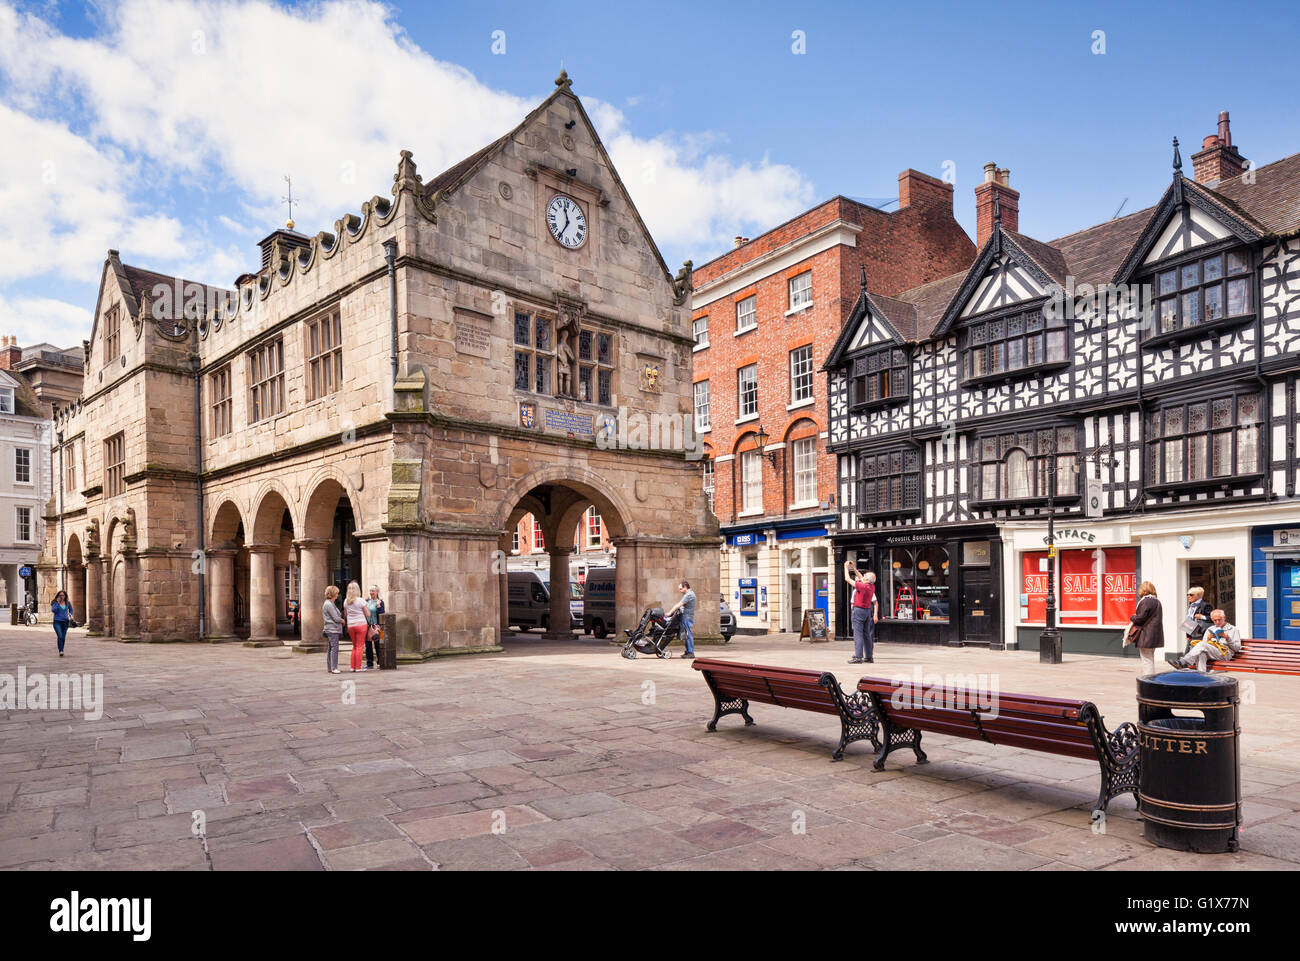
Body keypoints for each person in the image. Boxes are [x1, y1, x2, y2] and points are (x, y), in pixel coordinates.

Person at [1177, 609, 1242, 671]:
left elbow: (1237, 648)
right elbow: (1203, 646)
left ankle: (1184, 661)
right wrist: (1209, 639)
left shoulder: (1233, 629)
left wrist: (1228, 638)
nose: (1217, 622)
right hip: (1212, 652)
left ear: (1224, 617)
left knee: (1202, 645)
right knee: (1201, 653)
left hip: (1225, 654)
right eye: (1215, 620)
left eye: (1219, 620)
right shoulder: (1210, 629)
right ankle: (1202, 676)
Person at [844, 560, 878, 664]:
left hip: (858, 611)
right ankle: (869, 657)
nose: (862, 576)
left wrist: (846, 567)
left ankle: (858, 657)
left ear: (867, 579)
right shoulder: (871, 586)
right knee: (867, 634)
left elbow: (847, 579)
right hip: (867, 611)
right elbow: (861, 577)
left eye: (865, 576)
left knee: (858, 634)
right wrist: (853, 568)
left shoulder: (862, 586)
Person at [1127, 580, 1163, 675]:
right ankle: (1150, 678)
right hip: (1154, 634)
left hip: (1146, 635)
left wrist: (1132, 617)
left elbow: (1140, 618)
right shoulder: (1157, 601)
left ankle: (1148, 679)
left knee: (1146, 659)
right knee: (1150, 657)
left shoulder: (1146, 601)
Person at [665, 580, 696, 659]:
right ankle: (688, 651)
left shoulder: (689, 595)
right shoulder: (689, 594)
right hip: (686, 616)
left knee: (688, 634)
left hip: (687, 617)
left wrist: (669, 613)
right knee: (686, 635)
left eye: (681, 589)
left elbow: (679, 605)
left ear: (685, 587)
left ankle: (690, 652)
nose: (680, 591)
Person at [344, 581, 370, 672]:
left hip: (351, 625)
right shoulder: (360, 600)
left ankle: (352, 667)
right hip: (361, 624)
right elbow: (368, 614)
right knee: (360, 646)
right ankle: (358, 667)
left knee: (354, 646)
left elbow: (346, 614)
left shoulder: (345, 601)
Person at [1181, 587, 1213, 653]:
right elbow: (1189, 620)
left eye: (1191, 595)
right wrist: (1188, 635)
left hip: (1201, 634)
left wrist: (1202, 617)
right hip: (1192, 633)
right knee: (1188, 653)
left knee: (1194, 653)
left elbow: (1213, 619)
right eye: (1187, 594)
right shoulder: (1191, 606)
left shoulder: (1205, 605)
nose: (1188, 596)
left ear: (1198, 595)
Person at [322, 585, 343, 674]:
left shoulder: (330, 603)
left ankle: (330, 667)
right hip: (332, 629)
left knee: (331, 648)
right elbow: (336, 618)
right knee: (334, 649)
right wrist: (342, 620)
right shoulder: (329, 604)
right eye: (337, 593)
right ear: (333, 594)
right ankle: (334, 668)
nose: (337, 595)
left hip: (331, 629)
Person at [365, 585, 386, 670]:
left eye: (373, 591)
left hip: (379, 626)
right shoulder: (367, 601)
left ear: (377, 592)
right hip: (368, 626)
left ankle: (380, 662)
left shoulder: (380, 602)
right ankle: (369, 663)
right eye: (370, 591)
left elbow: (382, 614)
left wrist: (378, 606)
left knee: (379, 644)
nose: (371, 593)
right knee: (368, 645)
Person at [51, 590, 74, 657]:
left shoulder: (67, 603)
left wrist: (70, 614)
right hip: (57, 622)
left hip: (65, 622)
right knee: (60, 636)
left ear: (65, 596)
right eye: (60, 595)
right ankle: (60, 650)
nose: (62, 597)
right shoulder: (55, 603)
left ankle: (61, 649)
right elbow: (53, 610)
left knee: (63, 637)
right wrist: (58, 603)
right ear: (58, 596)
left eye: (63, 595)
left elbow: (71, 610)